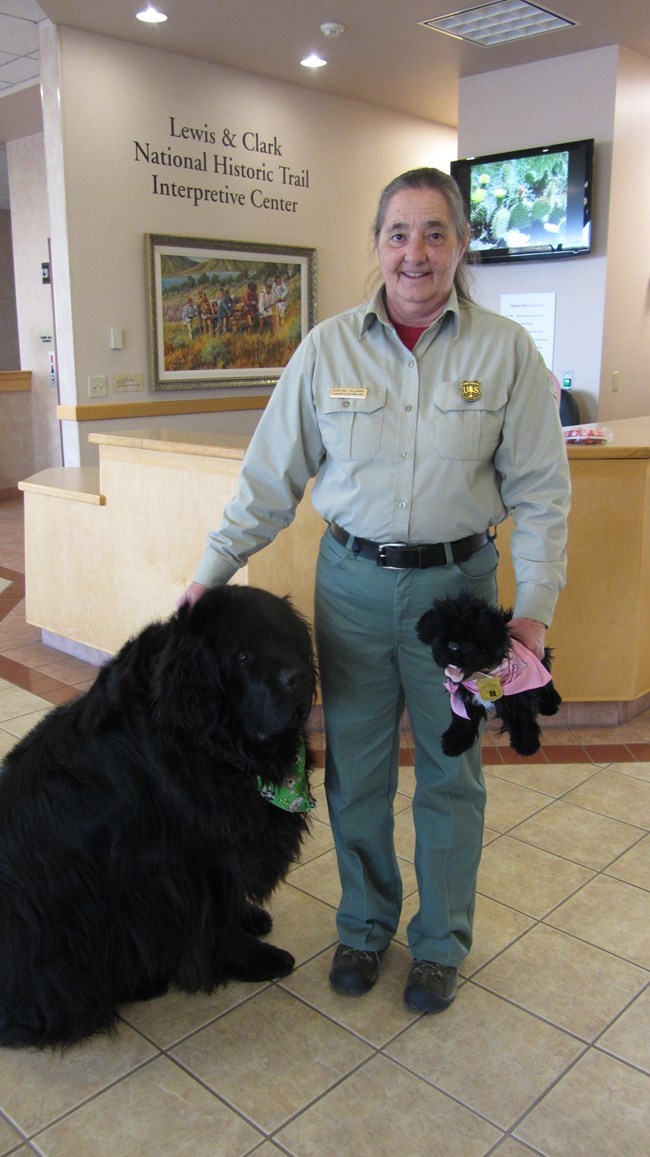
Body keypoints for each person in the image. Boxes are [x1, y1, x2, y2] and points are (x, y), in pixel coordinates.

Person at [179, 167, 570, 1015]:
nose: (415, 252)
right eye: (399, 233)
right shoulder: (326, 349)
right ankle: (363, 923)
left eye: (434, 232)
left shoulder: (505, 351)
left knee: (451, 778)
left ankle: (439, 943)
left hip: (461, 597)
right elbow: (265, 483)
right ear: (377, 244)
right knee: (354, 774)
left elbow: (543, 492)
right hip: (351, 587)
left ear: (460, 245)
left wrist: (532, 610)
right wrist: (207, 576)